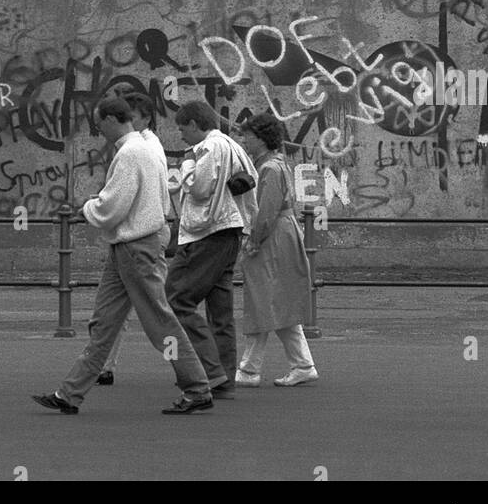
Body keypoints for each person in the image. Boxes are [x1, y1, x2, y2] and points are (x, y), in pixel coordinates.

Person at [32, 97, 214, 415]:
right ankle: (69, 393)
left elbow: (114, 205)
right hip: (133, 246)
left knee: (159, 321)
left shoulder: (129, 153)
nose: (97, 127)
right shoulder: (147, 146)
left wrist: (88, 207)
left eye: (98, 121)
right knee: (105, 322)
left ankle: (197, 387)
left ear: (111, 120)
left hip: (135, 246)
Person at [165, 99, 257, 398]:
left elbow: (199, 187)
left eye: (182, 129)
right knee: (221, 312)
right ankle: (224, 378)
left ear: (194, 124)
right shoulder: (233, 145)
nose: (181, 136)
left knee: (177, 299)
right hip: (231, 231)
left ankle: (210, 371)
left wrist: (187, 163)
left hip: (208, 232)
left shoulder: (207, 148)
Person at [234, 112, 318, 387]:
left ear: (260, 138)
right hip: (283, 234)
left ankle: (249, 370)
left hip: (272, 238)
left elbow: (265, 212)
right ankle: (299, 364)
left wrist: (253, 241)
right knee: (277, 299)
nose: (244, 139)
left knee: (261, 298)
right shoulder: (276, 164)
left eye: (248, 135)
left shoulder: (269, 168)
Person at [93, 90, 171, 385]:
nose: (128, 122)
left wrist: (94, 207)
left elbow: (126, 199)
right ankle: (100, 365)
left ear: (145, 118)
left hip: (140, 237)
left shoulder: (140, 148)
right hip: (141, 235)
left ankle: (195, 372)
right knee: (118, 309)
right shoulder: (140, 146)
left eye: (133, 117)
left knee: (158, 311)